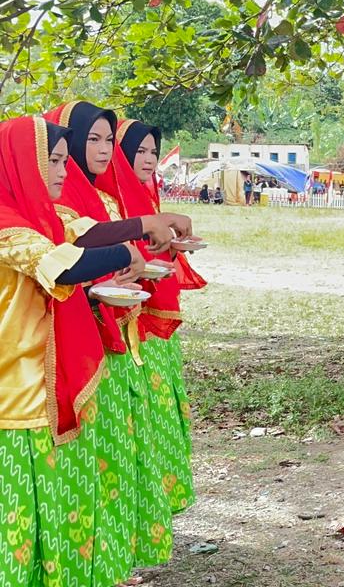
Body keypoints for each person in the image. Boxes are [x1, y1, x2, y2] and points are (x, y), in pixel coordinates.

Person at [46, 100, 194, 584]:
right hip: (67, 353)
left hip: (113, 334)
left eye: (109, 140)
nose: (104, 150)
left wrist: (131, 258)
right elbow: (71, 254)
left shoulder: (99, 198)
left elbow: (104, 247)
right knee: (91, 463)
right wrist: (137, 238)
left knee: (116, 454)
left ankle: (110, 555)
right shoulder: (51, 203)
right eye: (92, 139)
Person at [0, 115, 149, 586]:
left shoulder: (40, 217)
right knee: (22, 513)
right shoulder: (7, 225)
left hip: (45, 384)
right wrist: (127, 252)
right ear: (23, 163)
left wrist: (140, 231)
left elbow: (83, 238)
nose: (65, 172)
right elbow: (62, 268)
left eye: (66, 161)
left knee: (58, 506)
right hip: (17, 395)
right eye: (54, 161)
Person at [118, 119, 207, 520]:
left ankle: (160, 502)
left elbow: (150, 258)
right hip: (131, 327)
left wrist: (172, 248)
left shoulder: (147, 195)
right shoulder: (115, 200)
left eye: (153, 152)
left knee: (161, 410)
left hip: (154, 326)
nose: (149, 159)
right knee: (145, 415)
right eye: (139, 151)